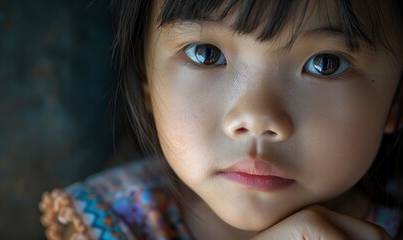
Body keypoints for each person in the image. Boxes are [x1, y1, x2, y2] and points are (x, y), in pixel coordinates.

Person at [39, 0, 403, 239]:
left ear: (395, 103)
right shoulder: (114, 224)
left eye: (326, 63)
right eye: (206, 53)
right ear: (146, 79)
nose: (256, 118)